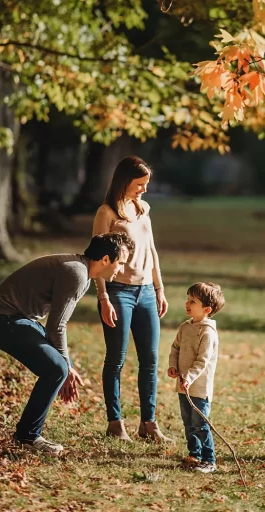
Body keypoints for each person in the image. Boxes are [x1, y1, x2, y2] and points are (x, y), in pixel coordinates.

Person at [0, 233, 133, 454]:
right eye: (120, 263)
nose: (121, 269)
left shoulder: (80, 269)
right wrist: (67, 367)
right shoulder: (77, 274)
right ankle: (28, 436)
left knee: (58, 368)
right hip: (3, 320)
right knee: (56, 368)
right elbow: (57, 326)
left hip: (12, 318)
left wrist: (65, 366)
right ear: (106, 260)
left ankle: (27, 434)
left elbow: (55, 327)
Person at [92, 156, 172, 443]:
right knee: (116, 359)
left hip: (147, 291)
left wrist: (160, 289)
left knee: (150, 360)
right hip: (118, 292)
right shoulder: (107, 212)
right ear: (125, 181)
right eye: (140, 184)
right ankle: (115, 423)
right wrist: (103, 298)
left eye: (146, 184)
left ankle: (148, 424)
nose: (144, 190)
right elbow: (97, 259)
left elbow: (151, 251)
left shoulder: (143, 208)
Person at [167, 282, 225, 474]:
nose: (187, 303)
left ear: (206, 309)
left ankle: (209, 460)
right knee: (188, 422)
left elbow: (202, 361)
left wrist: (189, 377)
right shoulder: (185, 327)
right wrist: (173, 366)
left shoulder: (207, 332)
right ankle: (195, 455)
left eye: (193, 301)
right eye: (188, 299)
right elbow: (175, 348)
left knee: (200, 423)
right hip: (183, 386)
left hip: (199, 388)